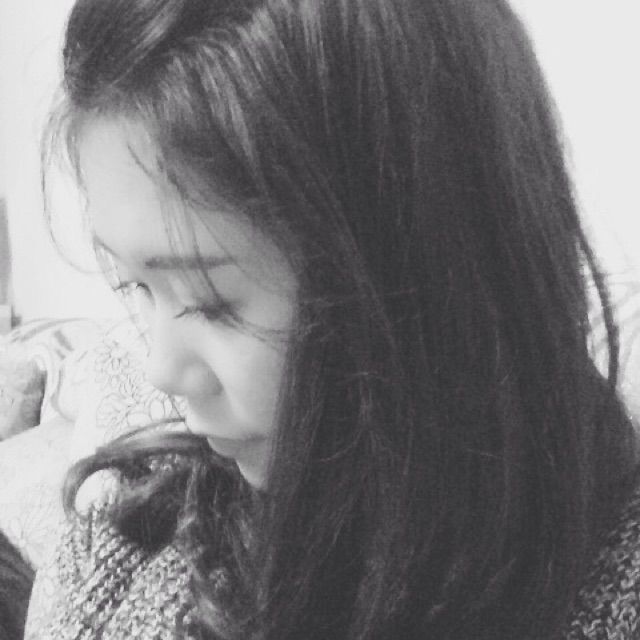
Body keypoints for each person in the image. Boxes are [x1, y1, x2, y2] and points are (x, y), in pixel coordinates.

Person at [27, 0, 640, 637]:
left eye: (209, 299)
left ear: (426, 270)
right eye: (138, 287)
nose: (161, 370)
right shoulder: (120, 545)